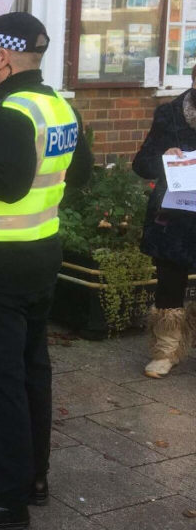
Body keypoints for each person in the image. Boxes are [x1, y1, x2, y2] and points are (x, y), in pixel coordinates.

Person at [0, 13, 93, 529]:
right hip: (39, 253)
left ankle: (5, 497)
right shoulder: (55, 105)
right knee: (30, 371)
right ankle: (33, 476)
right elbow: (82, 175)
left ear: (2, 56)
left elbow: (5, 185)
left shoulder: (9, 113)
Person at [131, 65, 196, 379]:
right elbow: (141, 163)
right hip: (173, 215)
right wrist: (164, 160)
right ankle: (165, 351)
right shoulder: (168, 114)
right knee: (169, 285)